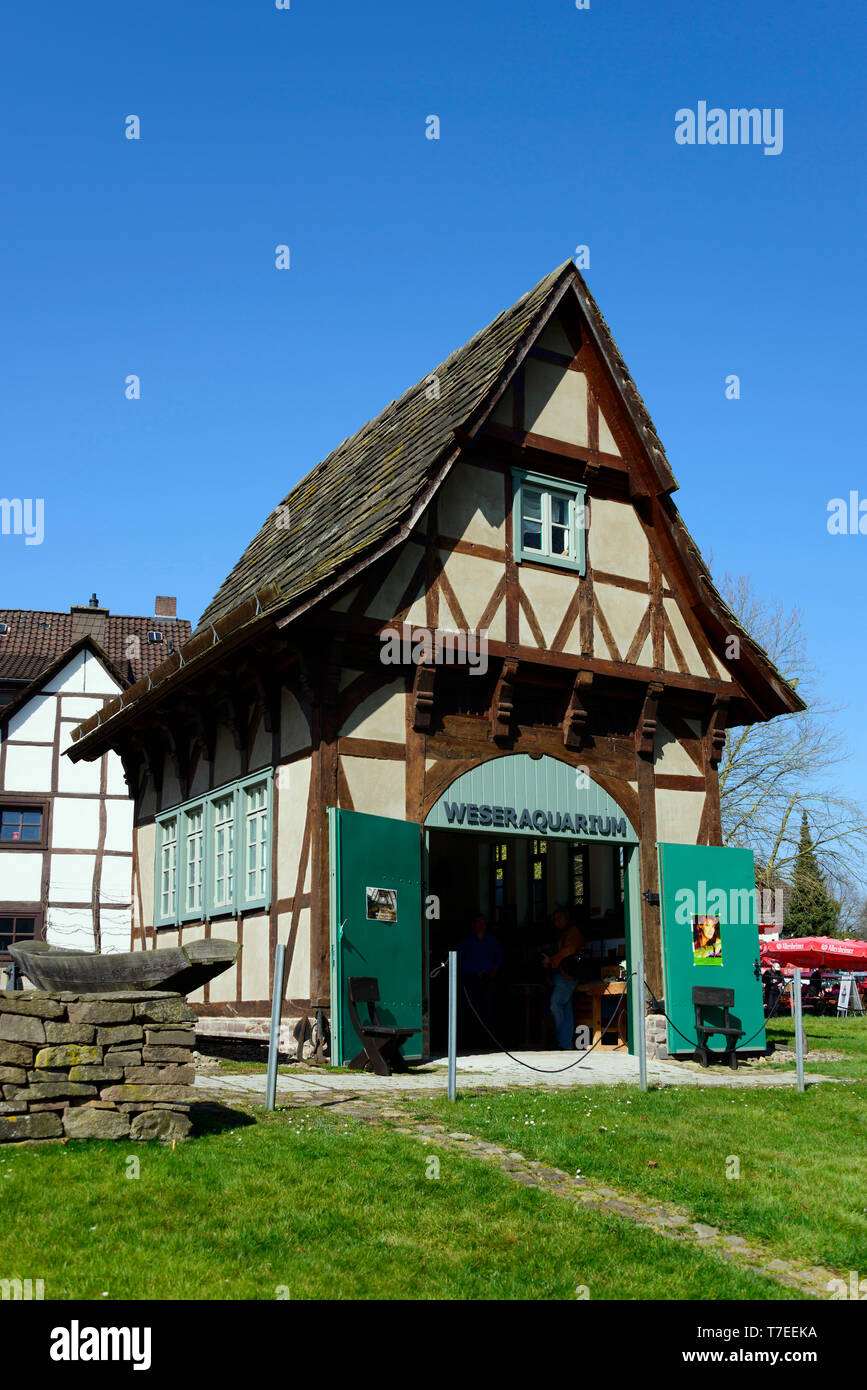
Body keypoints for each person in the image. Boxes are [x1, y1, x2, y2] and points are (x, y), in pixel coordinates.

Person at [456, 914, 503, 1051]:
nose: (481, 925)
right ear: (474, 925)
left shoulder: (491, 940)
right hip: (470, 978)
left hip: (486, 979)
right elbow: (457, 957)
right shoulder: (467, 940)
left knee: (487, 1010)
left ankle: (487, 1043)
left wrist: (495, 969)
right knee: (470, 1010)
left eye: (483, 923)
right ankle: (470, 1043)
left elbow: (499, 956)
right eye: (478, 922)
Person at [542, 907, 586, 1050]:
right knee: (566, 1009)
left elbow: (570, 950)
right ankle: (566, 1045)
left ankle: (562, 1042)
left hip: (567, 976)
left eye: (559, 918)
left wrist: (552, 960)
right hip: (561, 976)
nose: (557, 921)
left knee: (555, 1004)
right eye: (554, 919)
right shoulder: (560, 934)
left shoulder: (573, 932)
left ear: (566, 918)